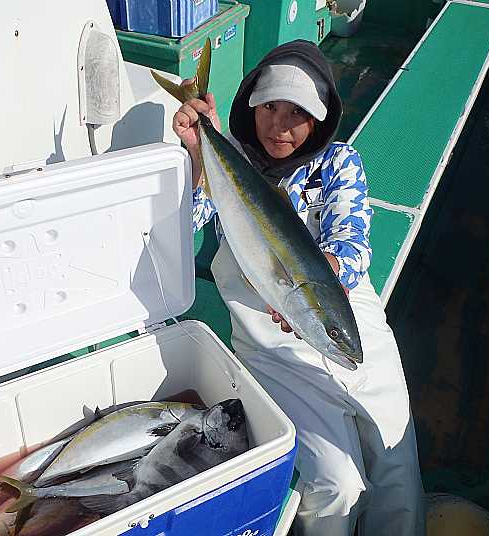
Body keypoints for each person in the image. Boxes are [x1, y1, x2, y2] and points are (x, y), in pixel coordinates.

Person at [172, 40, 426, 536]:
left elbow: (353, 244)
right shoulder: (230, 161)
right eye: (270, 107)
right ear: (251, 105)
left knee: (397, 465)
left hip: (344, 316)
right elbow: (186, 227)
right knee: (337, 486)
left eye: (298, 114)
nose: (280, 127)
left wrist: (323, 273)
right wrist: (199, 154)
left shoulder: (339, 162)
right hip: (270, 341)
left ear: (320, 119)